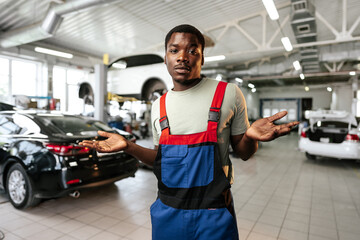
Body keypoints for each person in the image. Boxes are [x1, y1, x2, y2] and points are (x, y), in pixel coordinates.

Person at [80, 24, 299, 240]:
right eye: (174, 50)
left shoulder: (229, 93)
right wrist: (129, 147)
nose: (182, 57)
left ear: (202, 58)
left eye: (193, 50)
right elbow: (161, 158)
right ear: (166, 57)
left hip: (214, 214)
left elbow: (244, 153)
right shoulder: (159, 105)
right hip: (168, 212)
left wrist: (250, 137)